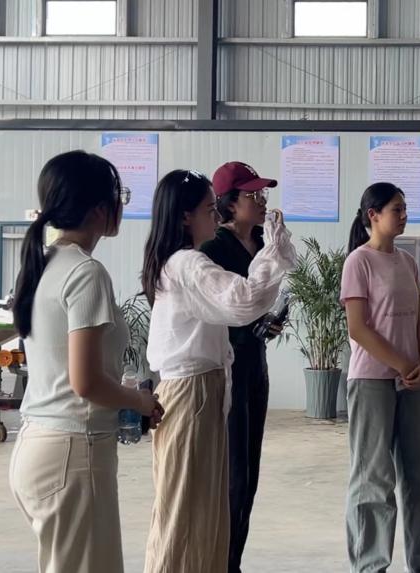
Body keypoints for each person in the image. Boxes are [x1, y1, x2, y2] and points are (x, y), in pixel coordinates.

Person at [9, 150, 163, 573]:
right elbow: (86, 382)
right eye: (119, 195)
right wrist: (139, 401)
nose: (121, 205)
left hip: (41, 445)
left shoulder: (45, 263)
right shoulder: (86, 272)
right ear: (99, 208)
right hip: (73, 451)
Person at [141, 169, 296, 573]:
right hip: (192, 392)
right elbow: (242, 300)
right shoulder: (188, 263)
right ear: (185, 217)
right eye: (209, 209)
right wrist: (274, 252)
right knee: (184, 513)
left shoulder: (182, 261)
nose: (215, 216)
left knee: (207, 512)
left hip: (206, 385)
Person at [341, 182, 420, 573]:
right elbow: (358, 328)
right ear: (373, 215)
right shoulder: (359, 262)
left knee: (419, 476)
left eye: (404, 208)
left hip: (414, 381)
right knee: (373, 478)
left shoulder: (407, 262)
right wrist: (403, 364)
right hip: (371, 382)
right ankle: (370, 564)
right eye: (396, 209)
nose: (404, 215)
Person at [197, 161, 283, 572]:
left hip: (256, 365)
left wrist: (268, 322)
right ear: (230, 203)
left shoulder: (264, 242)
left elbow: (257, 301)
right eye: (254, 194)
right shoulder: (212, 251)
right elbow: (218, 308)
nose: (262, 200)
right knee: (231, 473)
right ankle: (221, 561)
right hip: (227, 367)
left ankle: (234, 561)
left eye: (263, 194)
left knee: (249, 471)